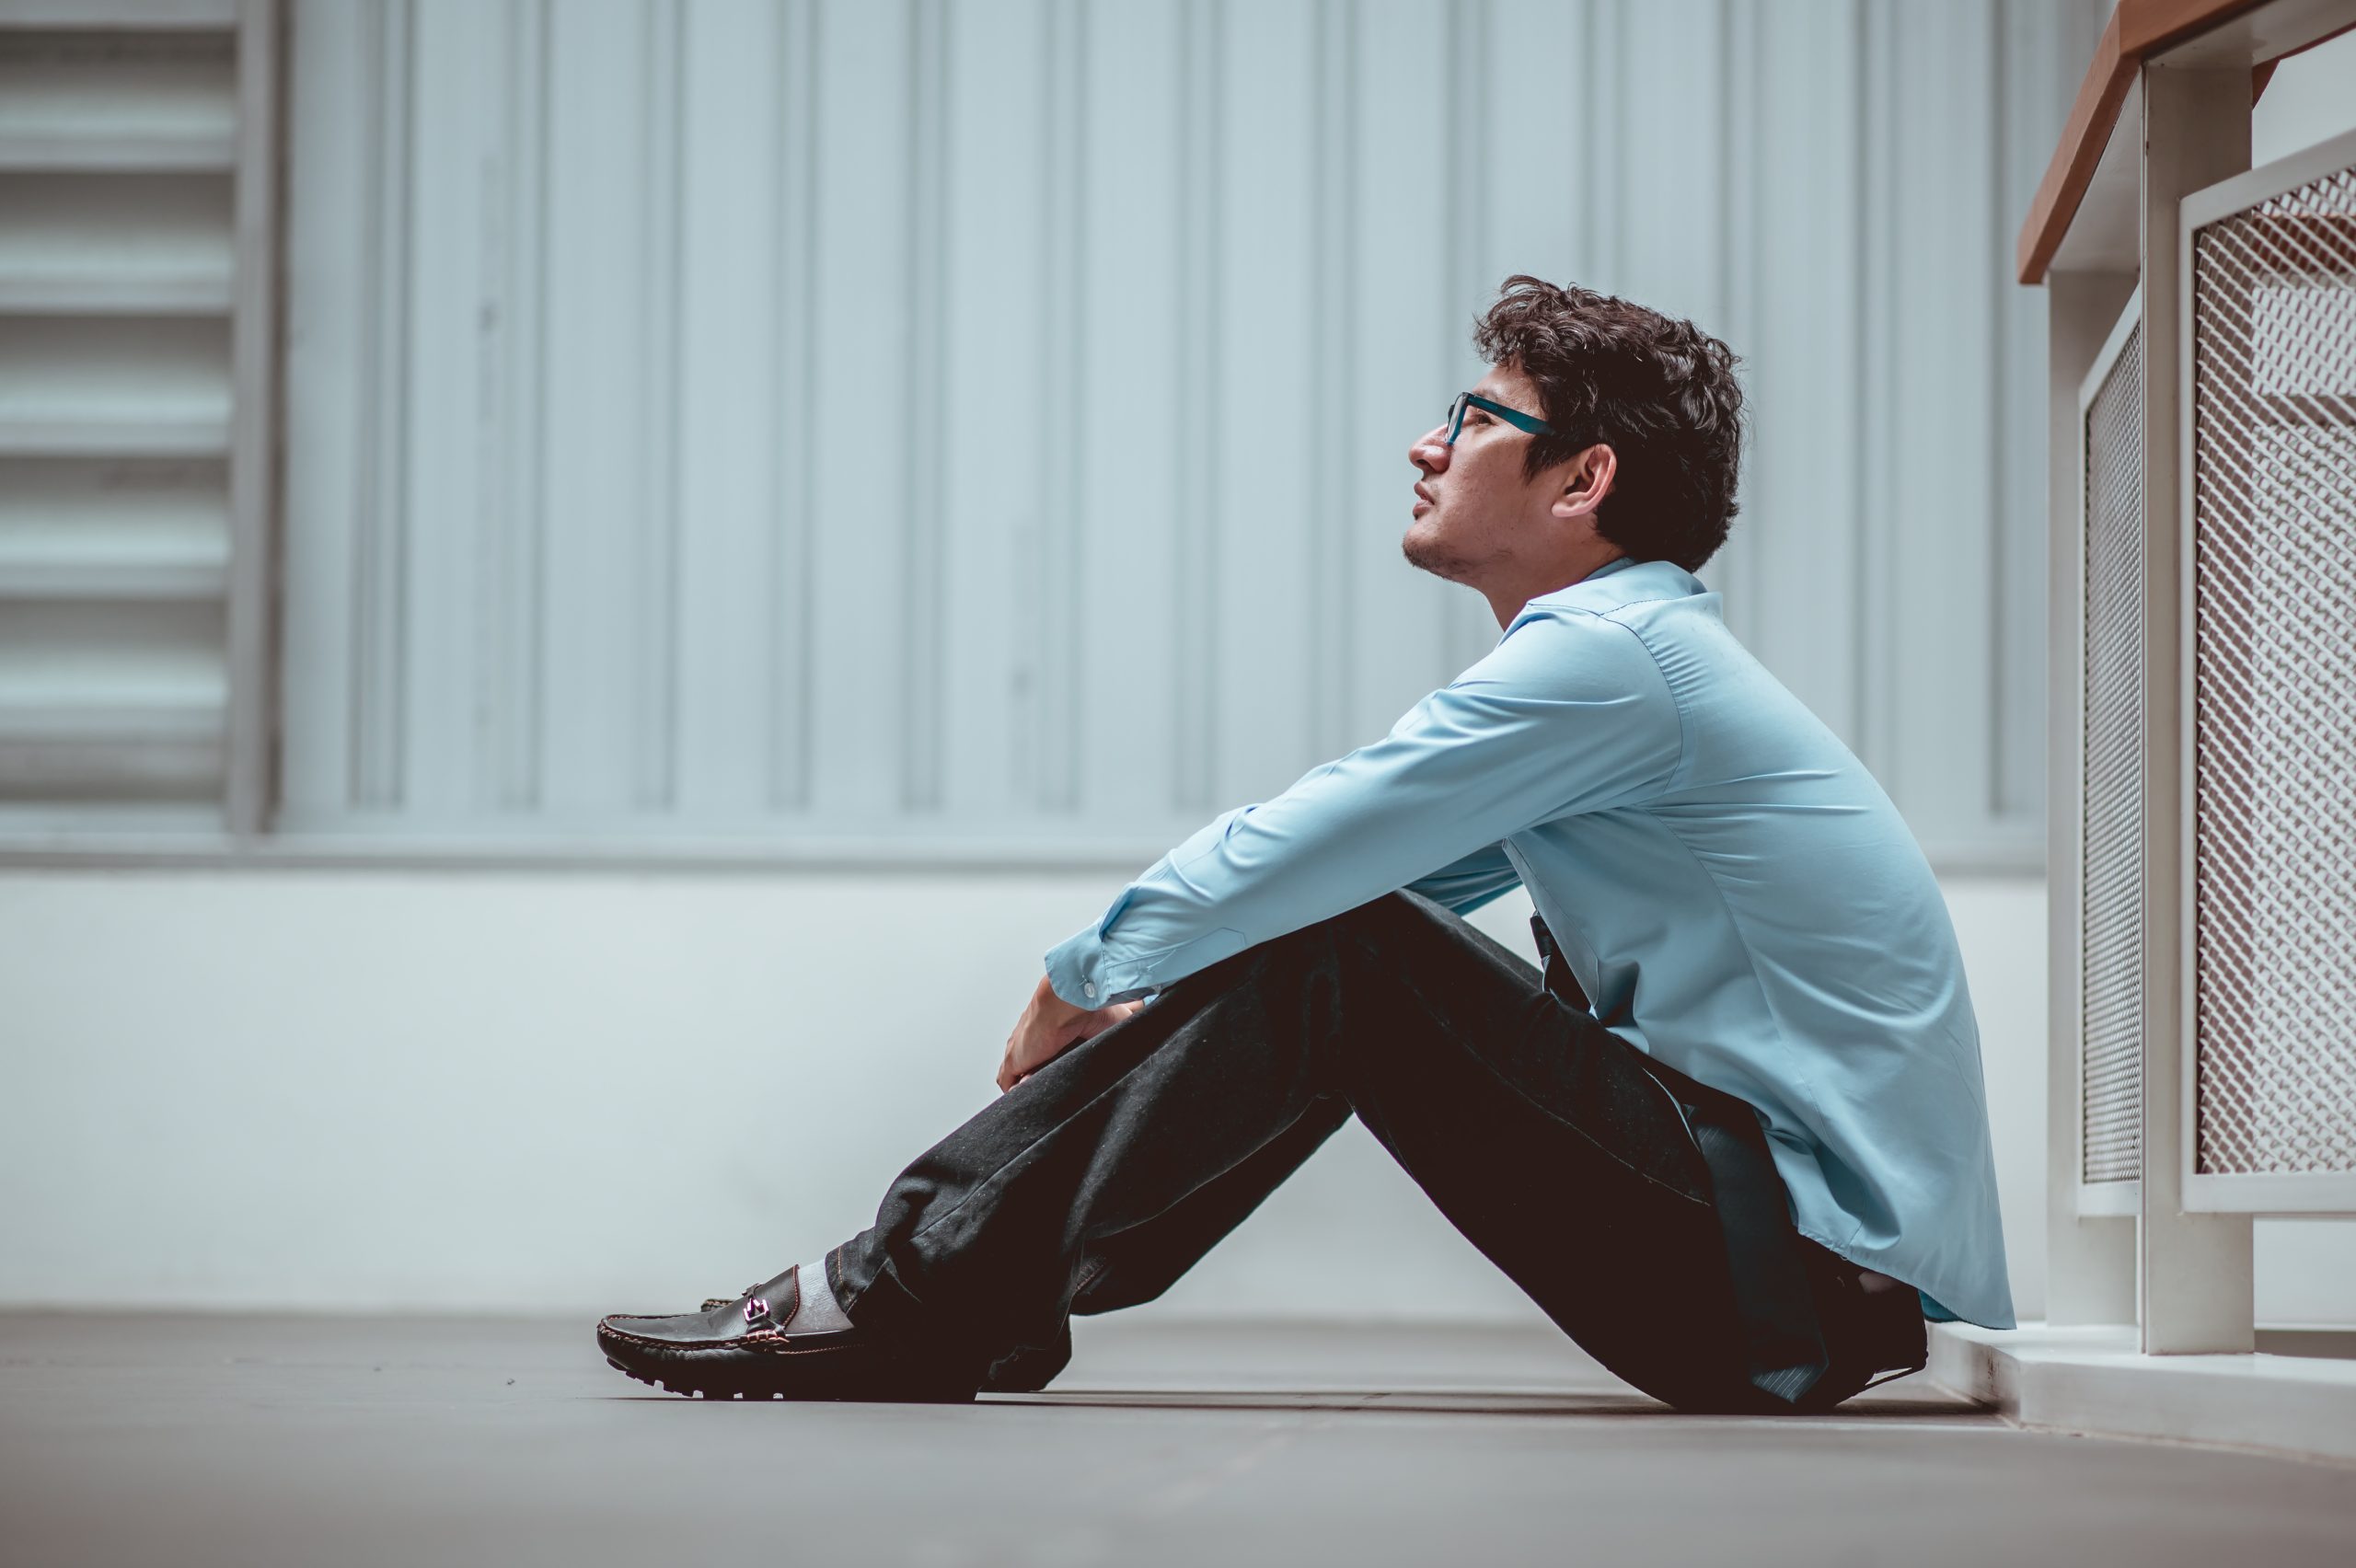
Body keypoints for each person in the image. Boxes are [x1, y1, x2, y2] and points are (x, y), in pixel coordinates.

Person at [595, 274, 2015, 1411]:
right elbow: (1361, 881)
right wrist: (1181, 970)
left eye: (1470, 417)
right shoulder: (1640, 662)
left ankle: (912, 1294)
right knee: (1323, 935)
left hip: (1804, 1278)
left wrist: (1089, 970)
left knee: (1335, 939)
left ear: (1582, 482)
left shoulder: (1614, 657)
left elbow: (1323, 844)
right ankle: (952, 1292)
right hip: (1794, 1268)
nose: (1425, 445)